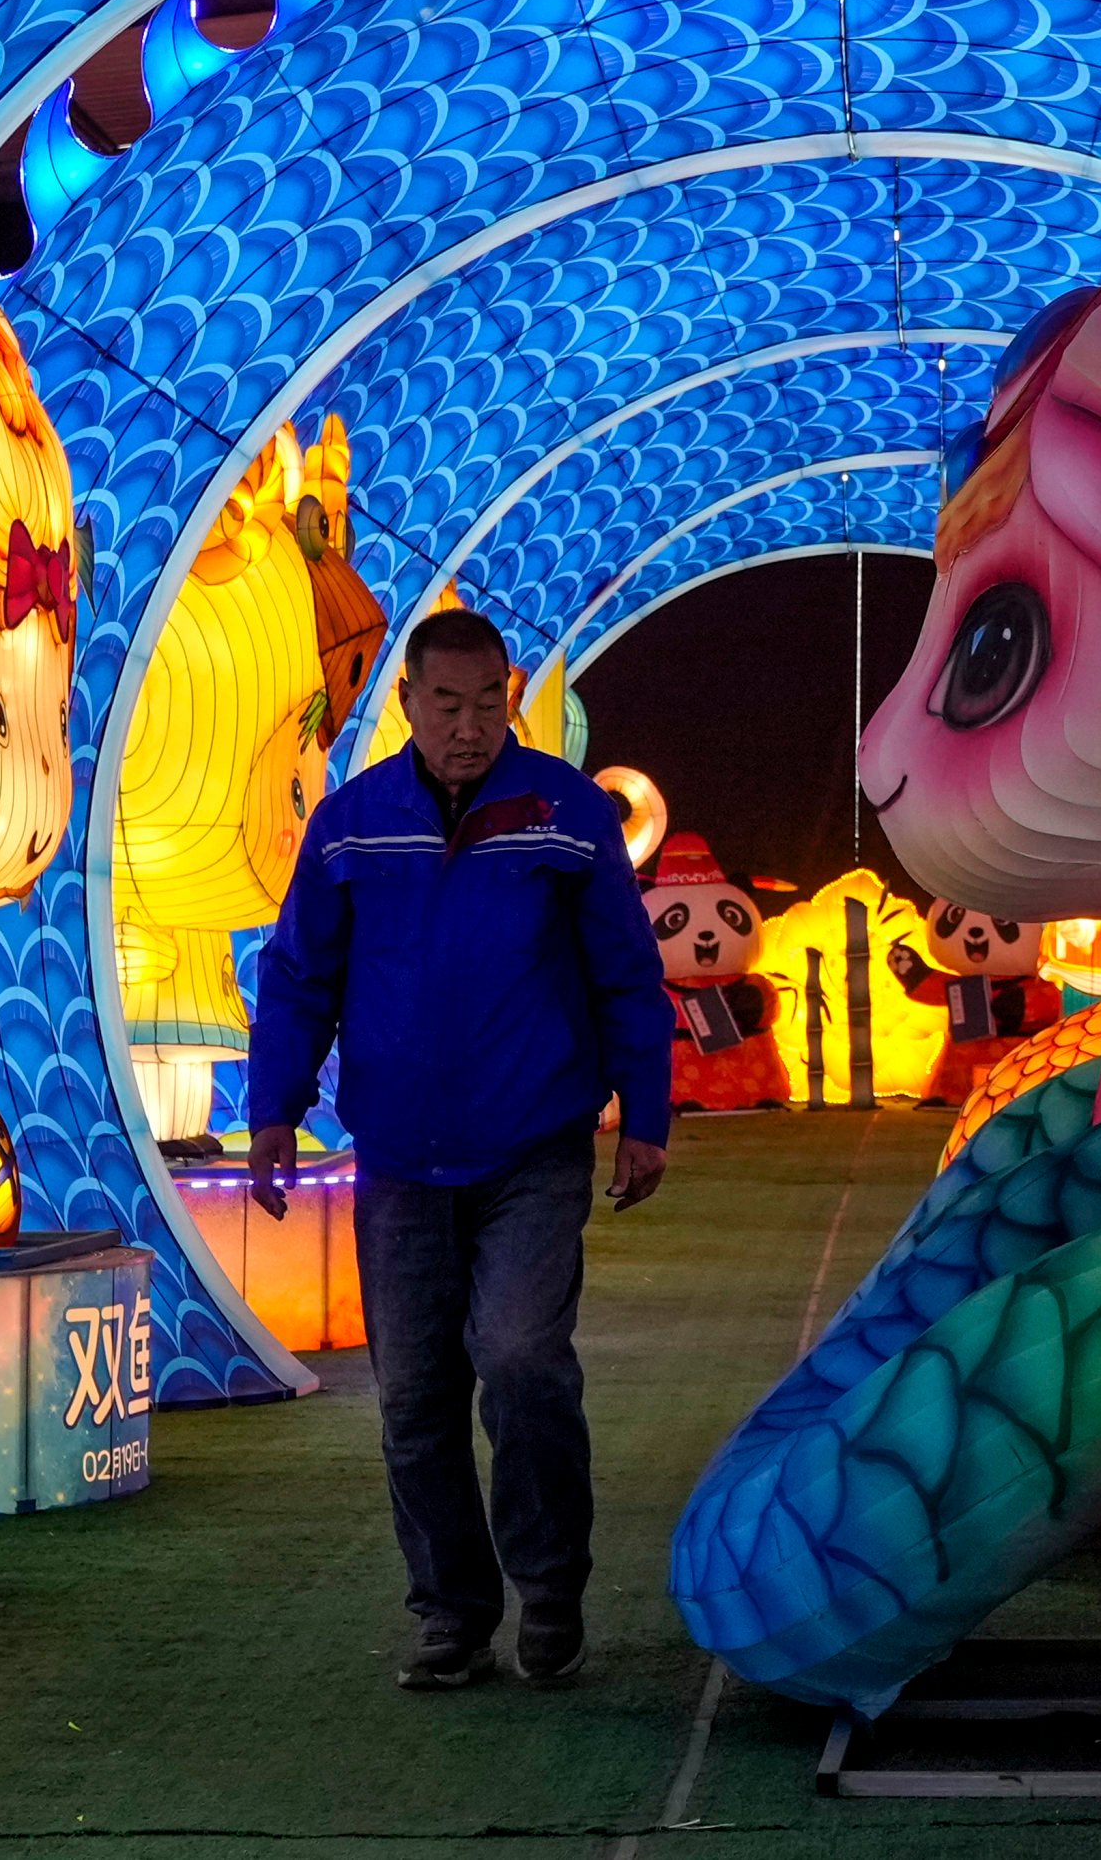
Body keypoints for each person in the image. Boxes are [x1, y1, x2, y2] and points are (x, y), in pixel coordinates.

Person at [249, 607, 673, 1690]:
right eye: (448, 703)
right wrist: (271, 1114)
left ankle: (550, 1593)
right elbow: (299, 977)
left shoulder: (568, 817)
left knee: (523, 1359)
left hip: (533, 1146)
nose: (471, 725)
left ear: (515, 695)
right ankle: (451, 1613)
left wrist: (649, 1114)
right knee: (413, 1400)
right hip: (397, 1156)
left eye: (492, 702)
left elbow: (628, 973)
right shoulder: (350, 825)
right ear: (407, 703)